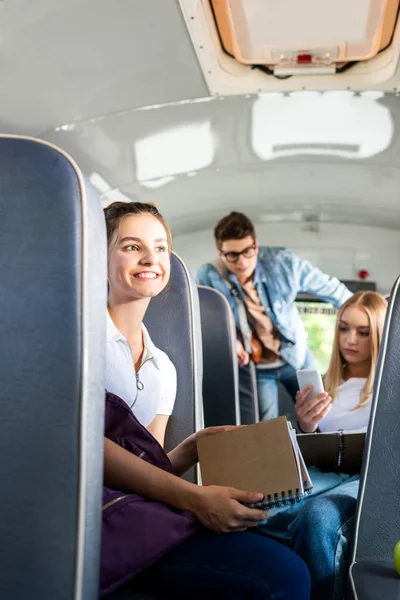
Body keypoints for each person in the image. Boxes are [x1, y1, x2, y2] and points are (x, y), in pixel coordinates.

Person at [102, 201, 311, 600]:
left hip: (135, 512)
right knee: (280, 577)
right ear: (100, 256)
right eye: (132, 247)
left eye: (160, 247)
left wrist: (190, 450)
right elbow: (85, 449)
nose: (151, 258)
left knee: (284, 561)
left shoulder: (163, 366)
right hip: (92, 519)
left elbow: (147, 464)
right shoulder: (80, 338)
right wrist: (196, 499)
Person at [258, 291, 387, 600]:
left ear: (380, 334)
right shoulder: (324, 384)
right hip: (326, 471)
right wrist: (306, 425)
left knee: (317, 517)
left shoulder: (389, 386)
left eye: (363, 331)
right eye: (343, 328)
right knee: (255, 507)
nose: (350, 339)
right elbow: (309, 446)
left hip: (367, 480)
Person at [197, 211, 352, 422]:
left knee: (321, 414)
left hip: (295, 355)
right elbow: (205, 321)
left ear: (256, 245)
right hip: (258, 366)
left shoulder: (283, 263)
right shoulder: (209, 275)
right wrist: (231, 342)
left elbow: (332, 290)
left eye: (248, 251)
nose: (242, 261)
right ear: (220, 252)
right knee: (266, 427)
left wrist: (370, 318)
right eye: (232, 255)